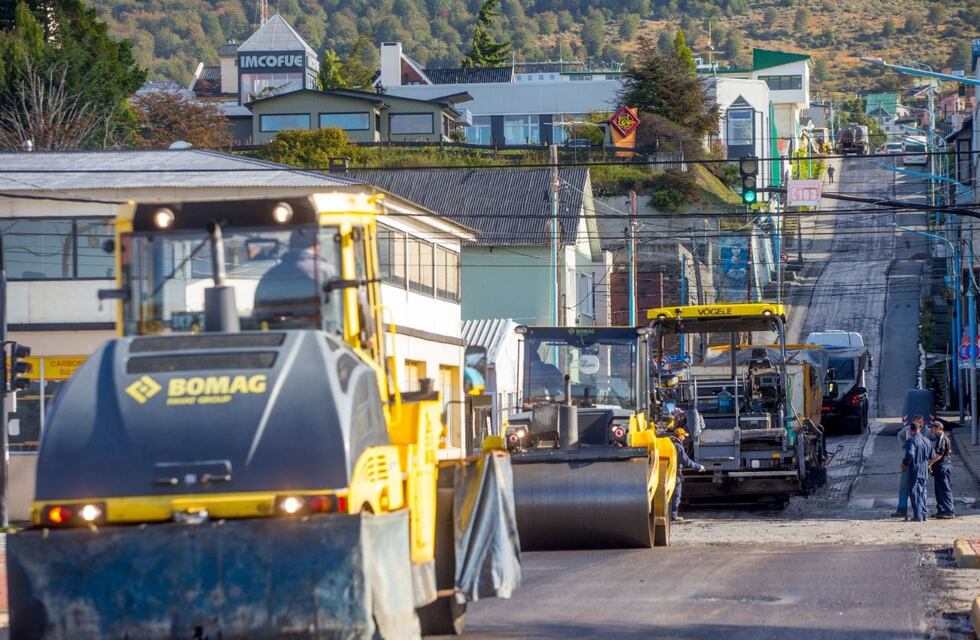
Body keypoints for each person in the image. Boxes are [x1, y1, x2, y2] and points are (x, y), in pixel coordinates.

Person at [253, 230, 337, 328]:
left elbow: (258, 316)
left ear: (290, 247)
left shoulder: (269, 276)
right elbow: (336, 309)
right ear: (316, 247)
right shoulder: (327, 271)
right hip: (318, 336)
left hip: (278, 337)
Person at [902, 418, 935, 522]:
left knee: (914, 491)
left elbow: (910, 454)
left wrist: (905, 463)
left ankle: (918, 515)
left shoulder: (911, 440)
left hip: (915, 468)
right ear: (919, 429)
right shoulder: (927, 440)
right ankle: (925, 514)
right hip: (924, 468)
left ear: (912, 431)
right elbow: (932, 455)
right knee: (923, 490)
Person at [670, 428, 706, 522]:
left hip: (669, 473)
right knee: (676, 495)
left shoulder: (670, 444)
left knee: (669, 495)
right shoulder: (678, 446)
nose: (684, 438)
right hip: (676, 474)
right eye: (683, 436)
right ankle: (673, 515)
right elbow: (686, 461)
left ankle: (669, 514)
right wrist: (698, 467)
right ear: (680, 436)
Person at [893, 415, 922, 518]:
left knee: (918, 488)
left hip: (916, 464)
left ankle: (919, 510)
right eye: (918, 422)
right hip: (914, 464)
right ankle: (902, 509)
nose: (919, 424)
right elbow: (899, 436)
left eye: (920, 422)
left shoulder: (925, 432)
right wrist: (903, 446)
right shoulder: (907, 430)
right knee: (904, 487)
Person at [929, 421, 955, 519]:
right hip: (940, 468)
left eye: (934, 429)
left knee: (944, 489)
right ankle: (941, 510)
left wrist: (929, 463)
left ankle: (949, 511)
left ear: (939, 429)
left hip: (943, 467)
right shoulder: (938, 438)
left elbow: (939, 455)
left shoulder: (942, 439)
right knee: (939, 490)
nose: (932, 430)